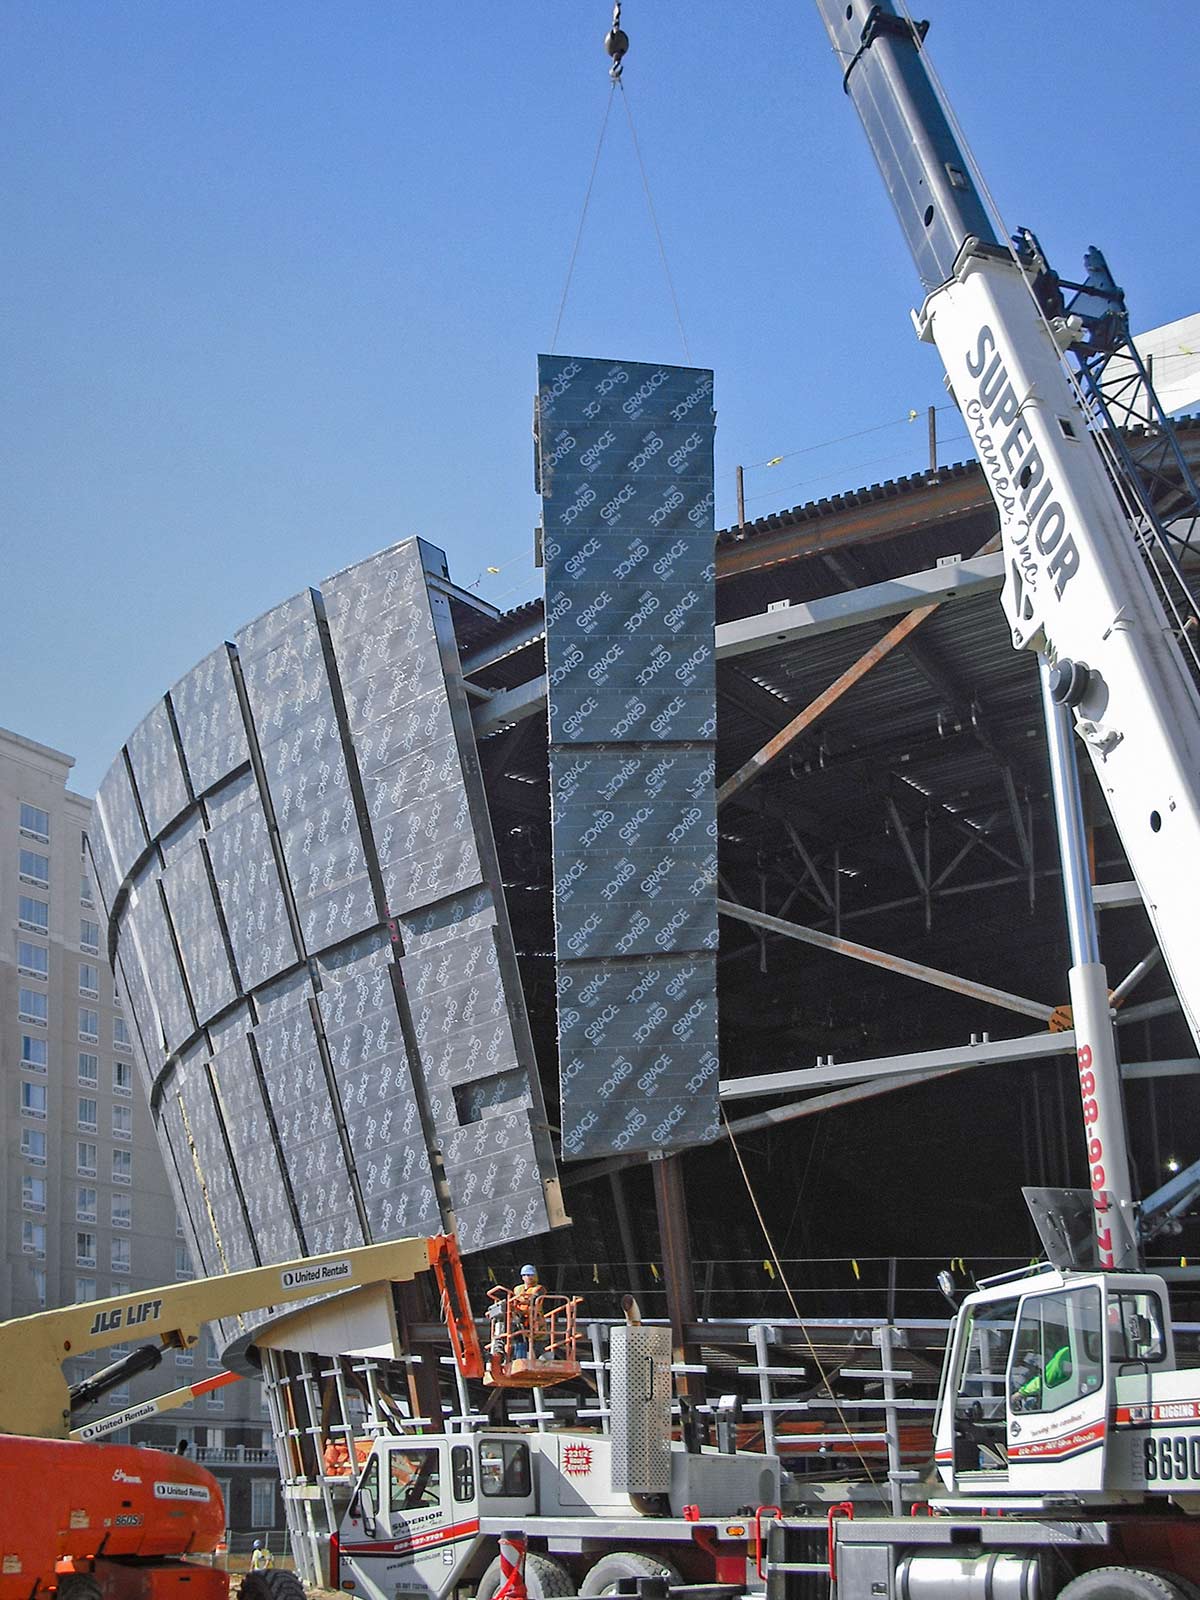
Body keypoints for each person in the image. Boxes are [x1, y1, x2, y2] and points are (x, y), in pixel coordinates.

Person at [511, 1264, 543, 1360]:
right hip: (520, 1316)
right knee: (518, 1336)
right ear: (522, 1277)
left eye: (531, 1275)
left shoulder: (539, 1288)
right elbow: (513, 1301)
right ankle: (519, 1358)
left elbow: (534, 1299)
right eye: (526, 1275)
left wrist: (523, 1300)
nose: (529, 1277)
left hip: (534, 1317)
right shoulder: (517, 1289)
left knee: (535, 1340)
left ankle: (533, 1357)